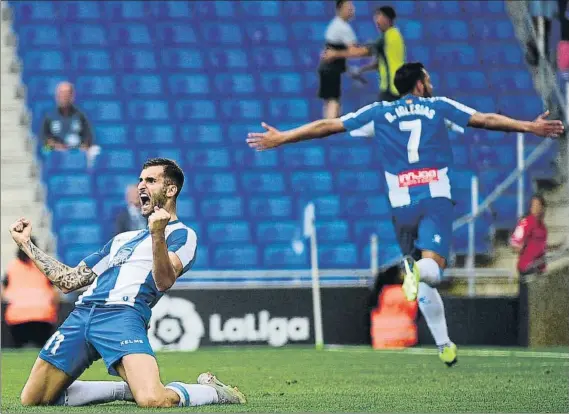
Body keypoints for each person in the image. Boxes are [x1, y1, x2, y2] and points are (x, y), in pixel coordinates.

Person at [247, 62, 564, 365]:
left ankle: (444, 344)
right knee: (433, 270)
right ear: (418, 84)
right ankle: (416, 276)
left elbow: (327, 125)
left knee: (424, 279)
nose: (432, 84)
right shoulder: (438, 106)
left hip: (401, 206)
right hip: (434, 198)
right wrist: (529, 126)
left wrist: (283, 137)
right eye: (427, 79)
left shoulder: (379, 112)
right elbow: (486, 119)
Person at [9, 158, 246, 408]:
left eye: (151, 180)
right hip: (82, 314)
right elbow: (69, 281)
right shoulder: (122, 239)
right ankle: (124, 389)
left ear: (171, 189)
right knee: (33, 400)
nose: (141, 186)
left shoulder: (183, 235)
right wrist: (26, 244)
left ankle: (211, 392)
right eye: (140, 180)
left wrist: (157, 234)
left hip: (123, 314)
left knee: (153, 399)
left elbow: (164, 281)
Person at [322, 6, 405, 102]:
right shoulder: (396, 35)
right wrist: (361, 70)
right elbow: (380, 63)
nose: (376, 21)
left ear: (386, 19)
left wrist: (335, 54)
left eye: (379, 17)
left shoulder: (385, 38)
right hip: (398, 85)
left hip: (390, 87)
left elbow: (362, 52)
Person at [1, 236, 59, 348]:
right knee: (43, 352)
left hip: (17, 317)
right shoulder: (44, 265)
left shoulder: (12, 267)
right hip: (43, 316)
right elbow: (55, 292)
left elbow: (2, 292)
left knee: (18, 353)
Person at [41, 82, 100, 166]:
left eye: (66, 93)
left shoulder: (80, 115)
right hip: (56, 148)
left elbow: (88, 137)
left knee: (96, 150)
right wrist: (56, 146)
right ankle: (49, 171)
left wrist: (83, 146)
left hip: (76, 149)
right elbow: (45, 138)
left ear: (72, 96)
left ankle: (88, 176)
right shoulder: (49, 116)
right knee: (44, 149)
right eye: (60, 93)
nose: (63, 96)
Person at [318, 0, 357, 118]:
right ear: (339, 9)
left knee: (330, 100)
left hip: (328, 68)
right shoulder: (342, 27)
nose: (352, 9)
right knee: (332, 100)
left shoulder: (336, 24)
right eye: (348, 7)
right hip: (331, 69)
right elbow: (353, 51)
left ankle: (327, 126)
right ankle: (330, 128)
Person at [510, 194, 550, 276]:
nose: (535, 208)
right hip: (527, 268)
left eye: (537, 205)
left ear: (542, 208)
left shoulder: (543, 228)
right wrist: (517, 247)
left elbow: (541, 247)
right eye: (533, 205)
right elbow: (514, 242)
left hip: (539, 268)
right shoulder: (526, 222)